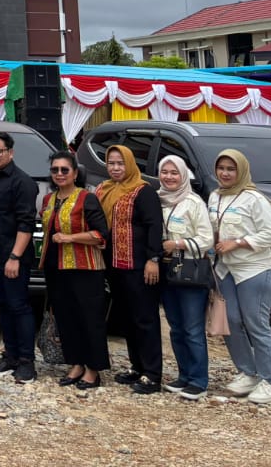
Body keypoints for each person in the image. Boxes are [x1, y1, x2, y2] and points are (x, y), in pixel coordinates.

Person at [209, 149, 271, 405]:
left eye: (231, 169)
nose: (225, 173)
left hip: (254, 269)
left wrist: (238, 242)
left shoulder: (254, 198)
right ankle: (247, 372)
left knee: (256, 323)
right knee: (230, 322)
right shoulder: (215, 196)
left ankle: (269, 381)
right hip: (225, 269)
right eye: (221, 168)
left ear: (241, 171)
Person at [96, 144, 164, 394]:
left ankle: (153, 374)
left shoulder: (142, 191)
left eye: (120, 163)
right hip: (114, 265)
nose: (115, 168)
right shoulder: (103, 189)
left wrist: (152, 259)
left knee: (144, 318)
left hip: (139, 266)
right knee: (126, 318)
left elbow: (154, 226)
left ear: (130, 164)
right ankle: (137, 366)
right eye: (111, 163)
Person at [40, 151, 111, 389]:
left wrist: (71, 237)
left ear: (75, 173)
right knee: (66, 318)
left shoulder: (86, 199)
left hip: (85, 268)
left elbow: (102, 235)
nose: (59, 174)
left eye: (64, 170)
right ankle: (76, 363)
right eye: (55, 170)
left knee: (89, 318)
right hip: (56, 268)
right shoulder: (48, 199)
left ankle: (93, 369)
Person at [0, 132, 38, 383]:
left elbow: (26, 224)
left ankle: (27, 361)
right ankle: (10, 355)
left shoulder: (22, 182)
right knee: (2, 306)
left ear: (10, 152)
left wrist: (15, 256)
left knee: (18, 306)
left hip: (13, 256)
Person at [156, 155, 214, 401]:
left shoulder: (193, 203)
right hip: (167, 272)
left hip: (189, 270)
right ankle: (184, 375)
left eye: (174, 173)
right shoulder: (157, 200)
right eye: (165, 172)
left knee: (192, 328)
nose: (169, 177)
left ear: (183, 175)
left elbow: (207, 239)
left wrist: (177, 243)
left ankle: (199, 380)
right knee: (176, 328)